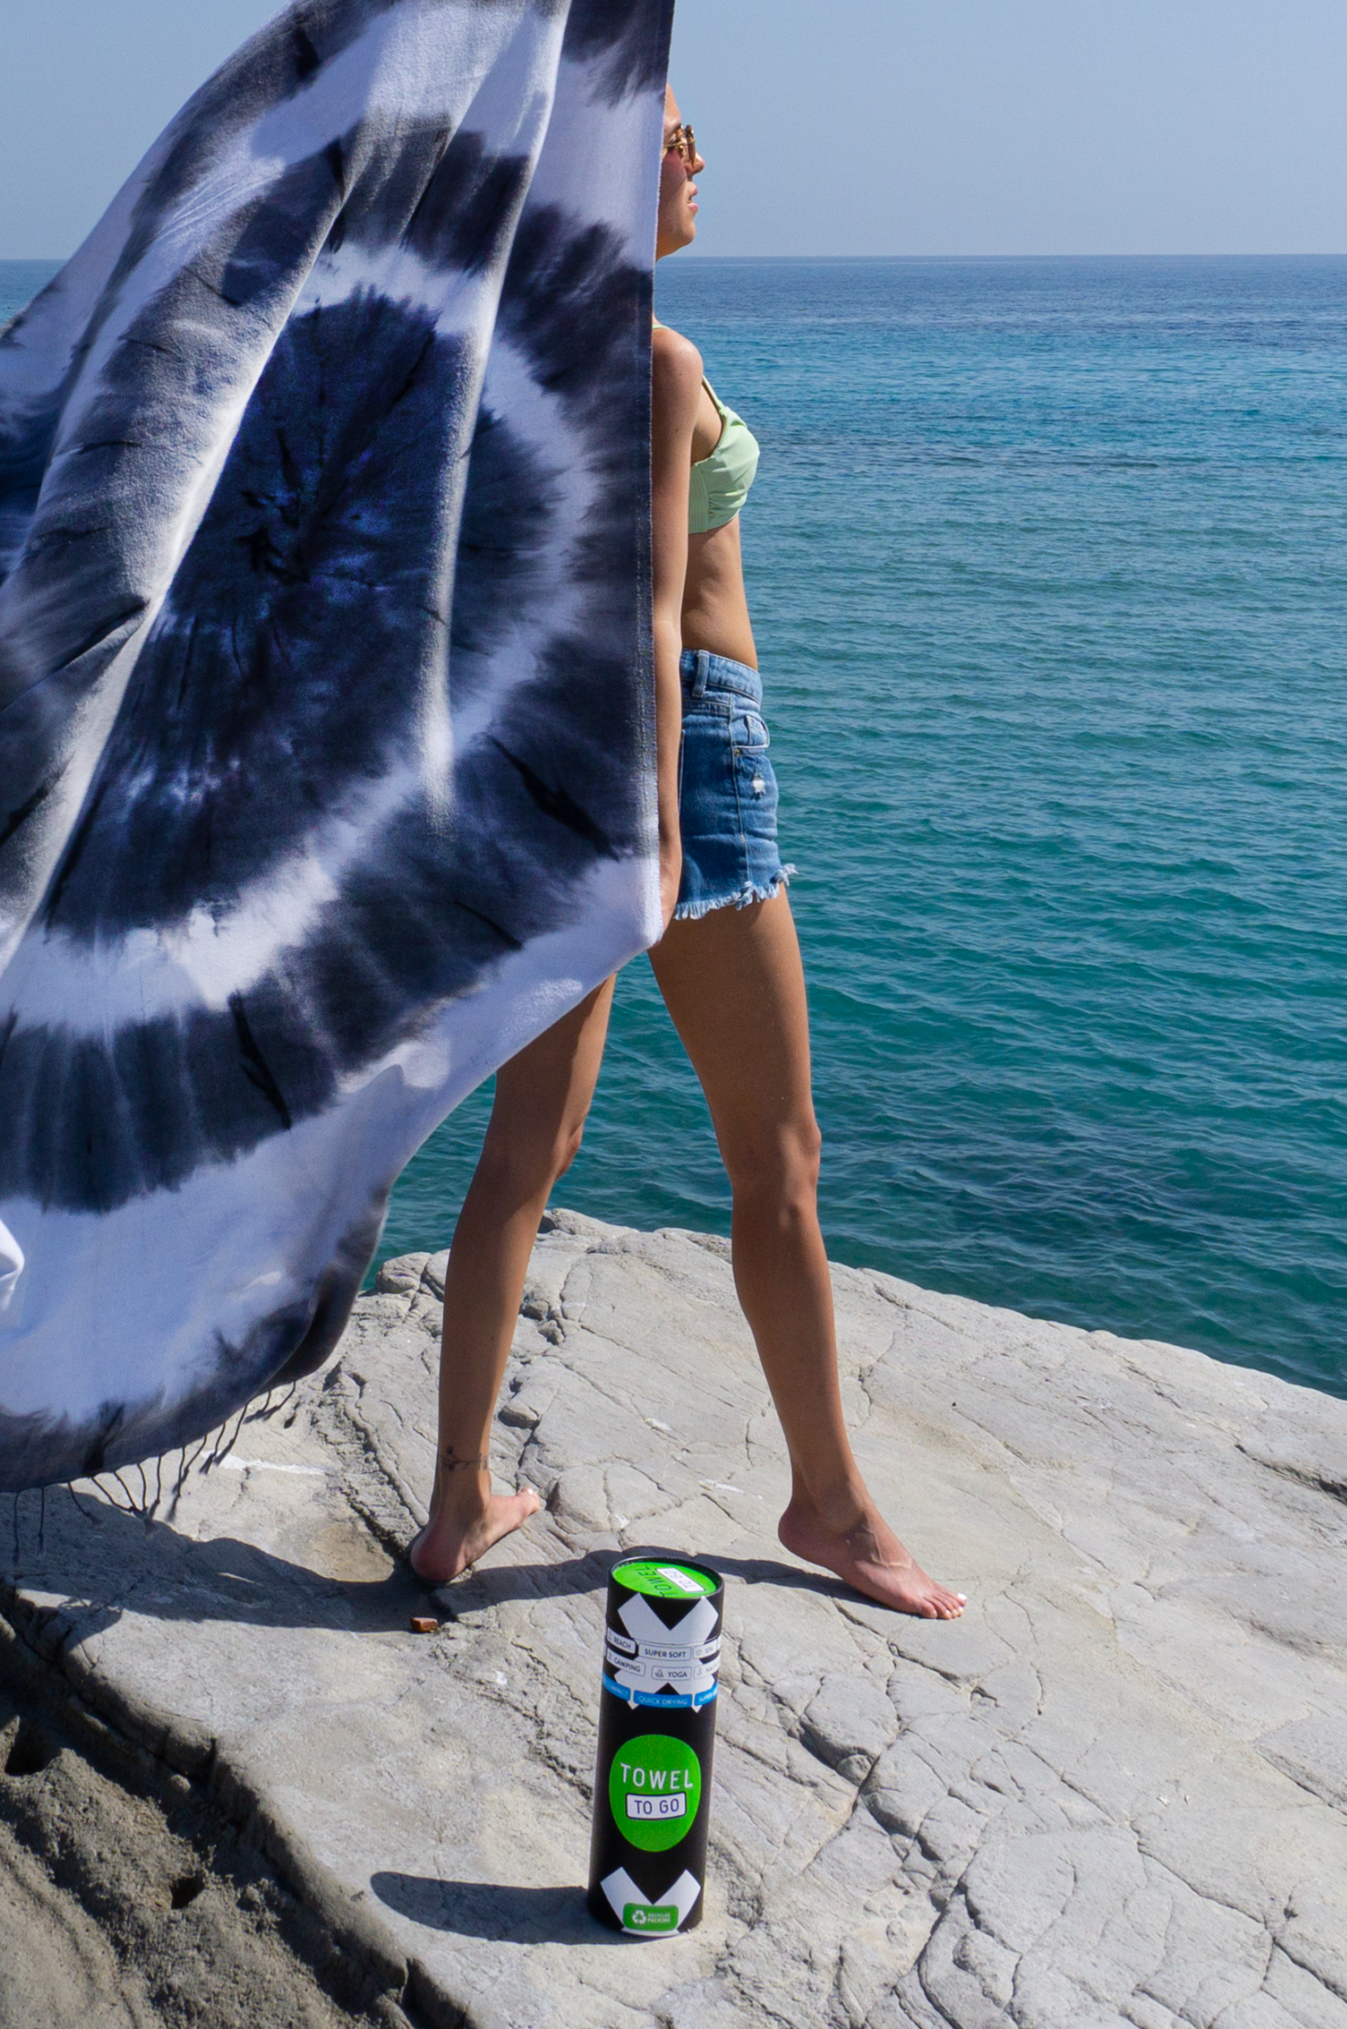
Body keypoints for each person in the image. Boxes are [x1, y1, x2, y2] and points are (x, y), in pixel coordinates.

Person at [406, 82, 967, 1619]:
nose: (701, 157)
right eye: (674, 137)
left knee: (527, 1152)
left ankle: (458, 1500)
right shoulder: (655, 359)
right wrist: (655, 831)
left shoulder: (514, 362)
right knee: (778, 1161)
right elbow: (656, 621)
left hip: (556, 759)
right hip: (687, 761)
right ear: (608, 175)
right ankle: (831, 1508)